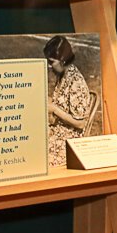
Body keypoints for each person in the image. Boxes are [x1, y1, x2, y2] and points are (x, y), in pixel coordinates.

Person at [44, 35, 92, 166]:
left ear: (62, 60)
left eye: (51, 62)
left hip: (70, 139)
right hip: (58, 132)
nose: (49, 66)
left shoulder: (76, 81)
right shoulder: (63, 75)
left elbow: (80, 124)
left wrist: (54, 109)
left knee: (39, 157)